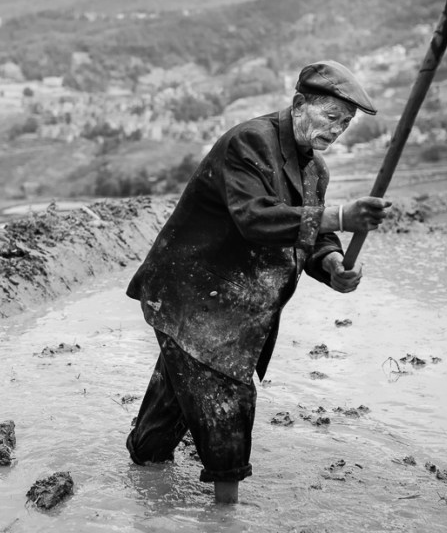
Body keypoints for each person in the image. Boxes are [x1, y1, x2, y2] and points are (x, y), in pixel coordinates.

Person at [125, 60, 391, 503]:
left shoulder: (314, 170)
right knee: (227, 405)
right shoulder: (249, 142)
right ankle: (226, 515)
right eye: (330, 117)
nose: (337, 130)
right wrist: (343, 215)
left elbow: (314, 236)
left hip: (233, 308)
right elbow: (256, 219)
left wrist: (332, 265)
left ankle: (141, 483)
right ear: (300, 103)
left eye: (345, 124)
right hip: (195, 299)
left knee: (167, 415)